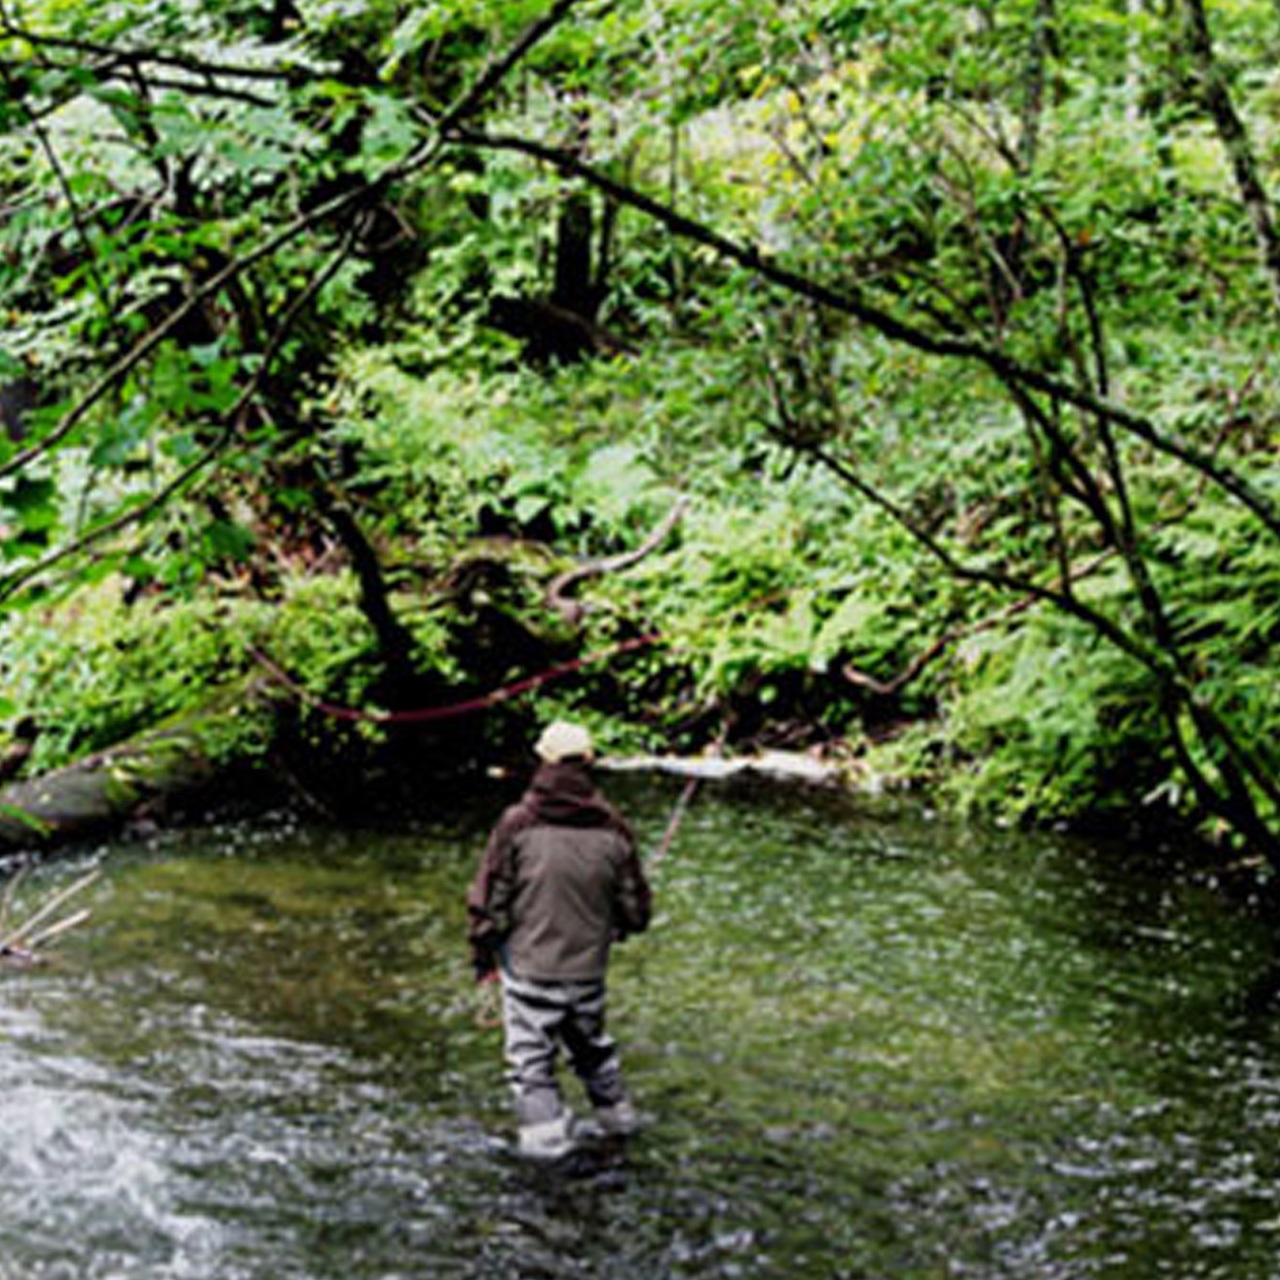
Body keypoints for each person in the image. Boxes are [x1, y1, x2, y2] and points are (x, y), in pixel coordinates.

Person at [467, 719, 652, 1159]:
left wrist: (483, 959)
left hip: (529, 970)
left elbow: (487, 903)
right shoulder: (614, 828)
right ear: (589, 763)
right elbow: (637, 914)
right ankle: (620, 1130)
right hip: (587, 973)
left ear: (542, 761)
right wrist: (617, 925)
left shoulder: (517, 823)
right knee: (593, 1054)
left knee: (532, 1067)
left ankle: (546, 1158)